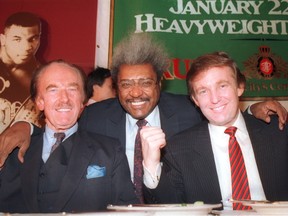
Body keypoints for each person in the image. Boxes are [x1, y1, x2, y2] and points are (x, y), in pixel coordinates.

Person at [0, 34, 287, 202]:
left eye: (145, 82)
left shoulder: (189, 110)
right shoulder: (96, 117)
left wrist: (252, 110)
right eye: (126, 84)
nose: (136, 92)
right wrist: (25, 127)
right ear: (115, 86)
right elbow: (59, 129)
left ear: (159, 84)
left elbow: (221, 112)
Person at [142, 52, 288, 209]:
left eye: (222, 86)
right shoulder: (178, 149)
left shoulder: (278, 131)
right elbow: (171, 207)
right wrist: (151, 165)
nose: (215, 99)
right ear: (195, 100)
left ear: (240, 87)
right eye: (203, 91)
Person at [0, 60, 138, 213]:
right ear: (39, 102)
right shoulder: (11, 150)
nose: (64, 99)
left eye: (72, 89)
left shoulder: (110, 151)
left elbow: (127, 211)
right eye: (53, 90)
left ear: (82, 102)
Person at [0, 12, 43, 133]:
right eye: (17, 39)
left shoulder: (43, 77)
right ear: (3, 39)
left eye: (33, 39)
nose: (26, 47)